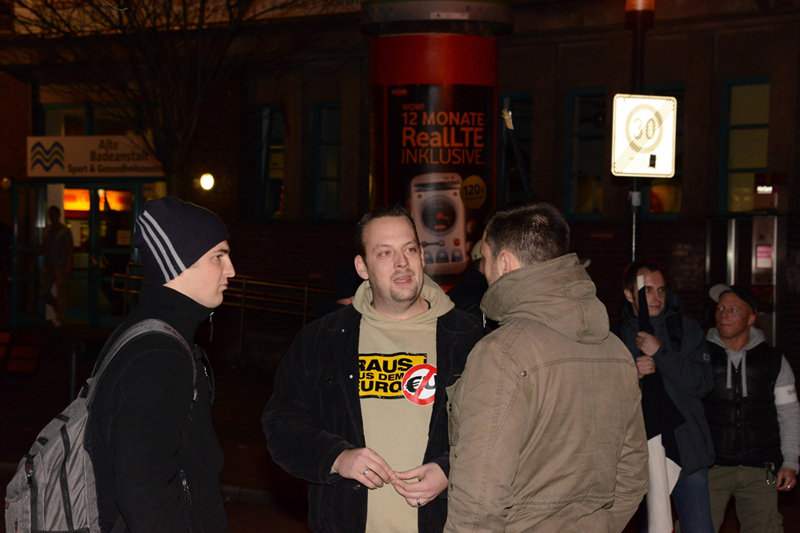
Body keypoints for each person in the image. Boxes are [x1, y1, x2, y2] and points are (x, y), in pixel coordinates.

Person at [263, 204, 483, 533]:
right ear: (362, 267)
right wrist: (337, 458)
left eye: (410, 249)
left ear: (423, 256)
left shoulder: (469, 340)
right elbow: (281, 424)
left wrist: (452, 470)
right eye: (384, 253)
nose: (401, 263)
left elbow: (500, 431)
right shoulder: (322, 340)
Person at [445, 200, 648, 532]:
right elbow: (633, 476)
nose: (482, 268)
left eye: (484, 257)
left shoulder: (501, 353)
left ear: (505, 262)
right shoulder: (616, 351)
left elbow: (479, 496)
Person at [87, 197, 234, 533]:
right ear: (179, 264)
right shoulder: (160, 355)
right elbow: (143, 489)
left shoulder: (146, 331)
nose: (231, 270)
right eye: (218, 256)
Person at [612, 260, 715, 532]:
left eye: (661, 290)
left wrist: (662, 354)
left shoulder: (685, 329)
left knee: (699, 527)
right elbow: (601, 397)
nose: (656, 297)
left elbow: (703, 383)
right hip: (639, 454)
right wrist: (631, 375)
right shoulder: (614, 337)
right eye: (647, 291)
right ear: (629, 294)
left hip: (686, 450)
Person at [703, 283, 800, 532]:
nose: (724, 315)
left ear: (752, 317)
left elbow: (788, 414)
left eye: (734, 310)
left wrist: (790, 461)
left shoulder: (773, 360)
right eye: (720, 308)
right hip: (710, 466)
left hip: (764, 467)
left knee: (766, 526)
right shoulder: (700, 356)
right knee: (697, 527)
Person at [38, 205, 73, 326]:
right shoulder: (46, 230)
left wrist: (69, 265)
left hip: (60, 264)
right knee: (43, 291)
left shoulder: (64, 231)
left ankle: (60, 318)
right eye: (50, 215)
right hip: (49, 264)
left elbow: (69, 249)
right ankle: (57, 306)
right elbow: (44, 246)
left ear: (58, 215)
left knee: (61, 291)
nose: (52, 217)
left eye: (54, 214)